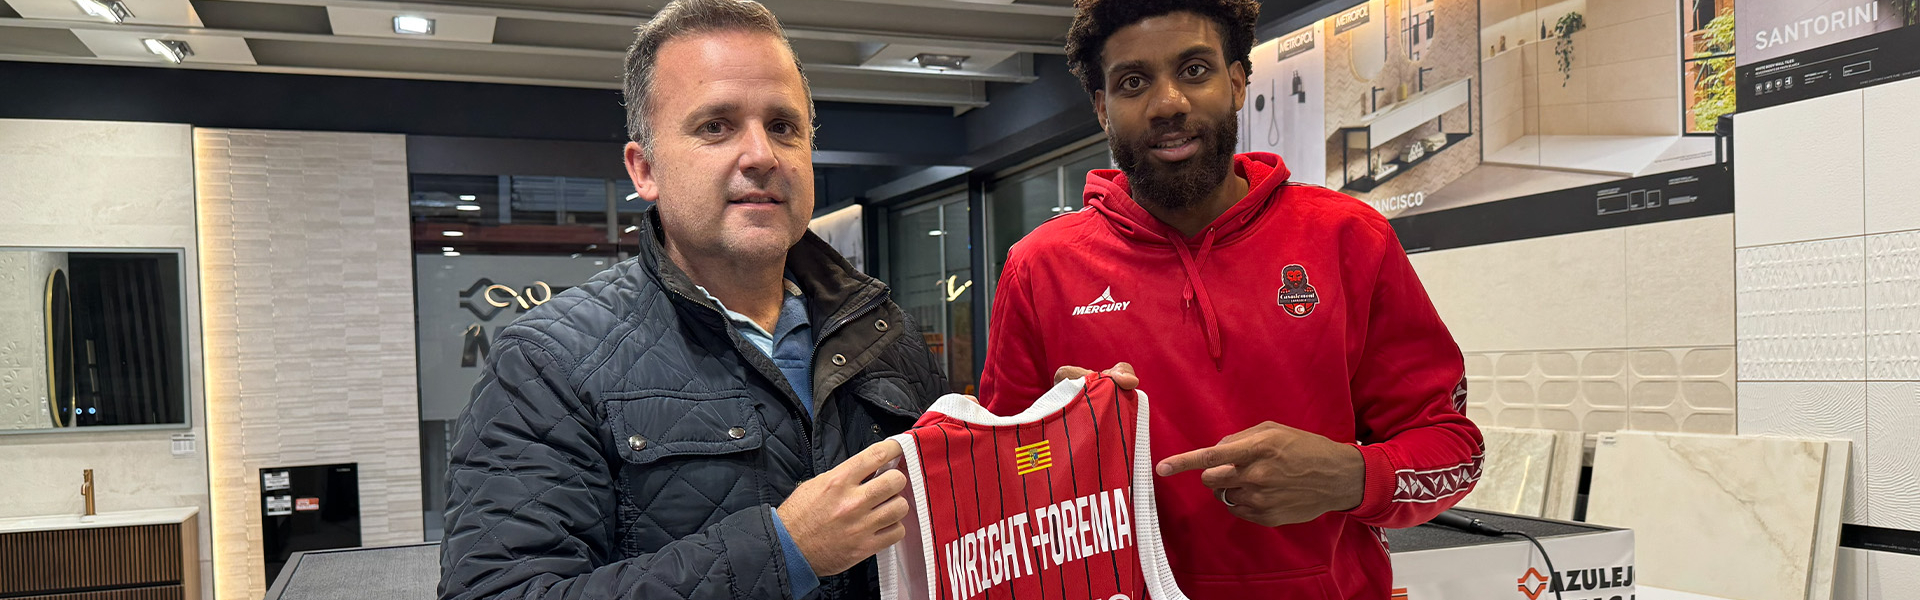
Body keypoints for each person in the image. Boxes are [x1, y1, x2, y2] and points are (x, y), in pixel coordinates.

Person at [437, 1, 949, 598]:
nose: (762, 155)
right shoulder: (547, 364)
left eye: (783, 127)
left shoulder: (885, 334)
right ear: (645, 170)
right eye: (715, 127)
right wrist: (786, 550)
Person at [980, 1, 1484, 599]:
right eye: (1133, 82)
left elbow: (1454, 449)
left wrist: (1351, 476)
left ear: (1239, 82)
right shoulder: (1040, 267)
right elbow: (996, 484)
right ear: (1102, 108)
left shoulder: (1349, 237)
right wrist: (1059, 440)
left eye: (1194, 70)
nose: (1168, 103)